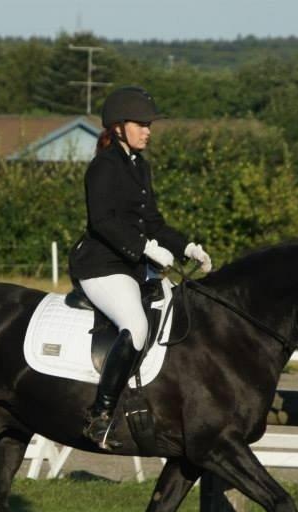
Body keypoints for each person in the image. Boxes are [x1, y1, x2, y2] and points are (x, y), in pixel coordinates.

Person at [69, 86, 212, 450]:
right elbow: (103, 221)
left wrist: (185, 247)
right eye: (141, 124)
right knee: (134, 326)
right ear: (118, 127)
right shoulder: (103, 167)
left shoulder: (139, 166)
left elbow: (154, 221)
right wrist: (146, 248)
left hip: (133, 265)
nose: (148, 130)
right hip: (102, 266)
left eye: (150, 125)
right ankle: (99, 415)